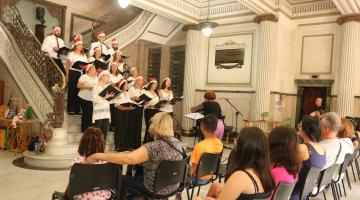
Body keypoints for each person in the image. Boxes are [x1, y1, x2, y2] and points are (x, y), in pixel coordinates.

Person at [86, 112, 184, 200]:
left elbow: (126, 159)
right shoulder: (178, 143)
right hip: (172, 186)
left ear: (155, 126)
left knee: (121, 179)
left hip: (154, 189)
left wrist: (97, 155)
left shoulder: (153, 147)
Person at [196, 127, 275, 200]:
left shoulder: (240, 176)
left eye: (236, 141)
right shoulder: (266, 174)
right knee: (216, 187)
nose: (234, 143)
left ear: (243, 148)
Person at [67, 127, 111, 200]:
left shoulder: (77, 162)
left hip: (82, 197)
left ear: (83, 142)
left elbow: (73, 184)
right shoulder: (106, 161)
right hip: (103, 197)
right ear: (101, 143)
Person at [291, 115, 326, 200]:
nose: (298, 128)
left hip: (293, 192)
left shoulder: (304, 148)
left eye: (299, 126)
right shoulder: (321, 148)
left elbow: (285, 163)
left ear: (305, 130)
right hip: (305, 192)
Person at [190, 114, 223, 185]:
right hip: (210, 176)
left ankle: (178, 194)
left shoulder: (200, 146)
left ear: (202, 127)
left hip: (198, 179)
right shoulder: (219, 143)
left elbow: (192, 170)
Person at [66, 36, 88, 115]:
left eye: (81, 45)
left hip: (81, 73)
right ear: (75, 45)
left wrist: (84, 67)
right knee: (72, 91)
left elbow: (86, 65)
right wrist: (67, 76)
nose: (81, 46)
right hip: (73, 73)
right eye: (79, 45)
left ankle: (78, 108)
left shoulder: (84, 55)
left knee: (79, 91)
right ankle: (70, 109)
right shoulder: (71, 54)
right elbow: (68, 65)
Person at [113, 79, 134, 151]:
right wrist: (128, 108)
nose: (127, 85)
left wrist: (132, 106)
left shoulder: (127, 93)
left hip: (126, 112)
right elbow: (117, 106)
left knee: (124, 129)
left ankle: (123, 145)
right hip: (119, 113)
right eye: (126, 84)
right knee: (119, 129)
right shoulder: (118, 93)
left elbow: (129, 102)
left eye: (127, 84)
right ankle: (117, 146)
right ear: (122, 85)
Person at [92, 70, 114, 140]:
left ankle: (102, 150)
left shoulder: (107, 87)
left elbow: (108, 101)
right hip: (98, 113)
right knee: (97, 134)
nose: (108, 78)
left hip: (106, 112)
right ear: (102, 77)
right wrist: (105, 97)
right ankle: (95, 150)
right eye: (107, 76)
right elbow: (95, 99)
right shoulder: (96, 86)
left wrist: (112, 96)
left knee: (104, 133)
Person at [77, 64, 98, 132]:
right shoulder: (84, 76)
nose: (95, 70)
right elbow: (78, 85)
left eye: (95, 69)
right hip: (84, 97)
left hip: (92, 99)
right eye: (94, 69)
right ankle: (84, 130)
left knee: (91, 115)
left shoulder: (96, 78)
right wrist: (88, 87)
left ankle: (89, 130)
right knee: (86, 114)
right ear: (89, 70)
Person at [128, 75, 145, 149]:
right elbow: (128, 98)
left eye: (142, 80)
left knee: (138, 127)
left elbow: (143, 99)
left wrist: (145, 101)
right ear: (137, 81)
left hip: (140, 108)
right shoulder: (131, 89)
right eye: (140, 80)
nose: (142, 82)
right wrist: (133, 98)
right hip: (133, 108)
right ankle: (130, 145)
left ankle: (137, 145)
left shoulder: (143, 90)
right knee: (132, 126)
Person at [143, 78, 160, 143]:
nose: (156, 85)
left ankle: (153, 141)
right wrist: (147, 104)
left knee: (155, 127)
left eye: (156, 84)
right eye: (154, 84)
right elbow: (144, 103)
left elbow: (158, 102)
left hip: (156, 111)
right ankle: (147, 142)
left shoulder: (157, 92)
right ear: (151, 84)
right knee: (149, 127)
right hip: (149, 111)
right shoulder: (146, 92)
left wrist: (160, 105)